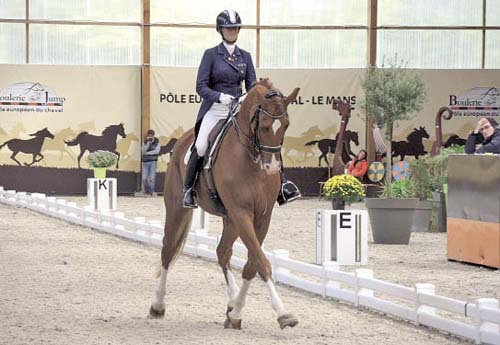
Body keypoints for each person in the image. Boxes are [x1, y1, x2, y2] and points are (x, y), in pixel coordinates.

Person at [182, 9, 301, 208]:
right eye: (228, 28)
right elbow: (201, 86)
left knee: (266, 138)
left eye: (235, 28)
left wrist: (249, 95)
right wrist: (220, 96)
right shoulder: (211, 54)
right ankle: (189, 190)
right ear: (220, 30)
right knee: (201, 144)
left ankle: (283, 185)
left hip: (239, 109)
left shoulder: (244, 56)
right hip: (216, 109)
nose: (232, 31)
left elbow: (252, 84)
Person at [142, 129, 160, 196]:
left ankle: (151, 192)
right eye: (149, 135)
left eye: (151, 135)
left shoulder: (157, 142)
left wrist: (148, 152)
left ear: (153, 135)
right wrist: (148, 143)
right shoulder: (145, 142)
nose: (150, 136)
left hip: (153, 161)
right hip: (145, 162)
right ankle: (147, 190)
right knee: (144, 178)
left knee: (152, 178)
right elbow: (143, 151)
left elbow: (157, 151)